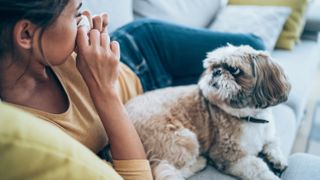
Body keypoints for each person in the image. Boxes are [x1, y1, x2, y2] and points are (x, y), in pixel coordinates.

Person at [3, 0, 301, 179]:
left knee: (258, 51)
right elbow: (138, 175)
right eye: (75, 12)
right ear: (26, 34)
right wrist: (104, 90)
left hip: (144, 47)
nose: (86, 18)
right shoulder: (28, 130)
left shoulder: (49, 52)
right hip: (155, 104)